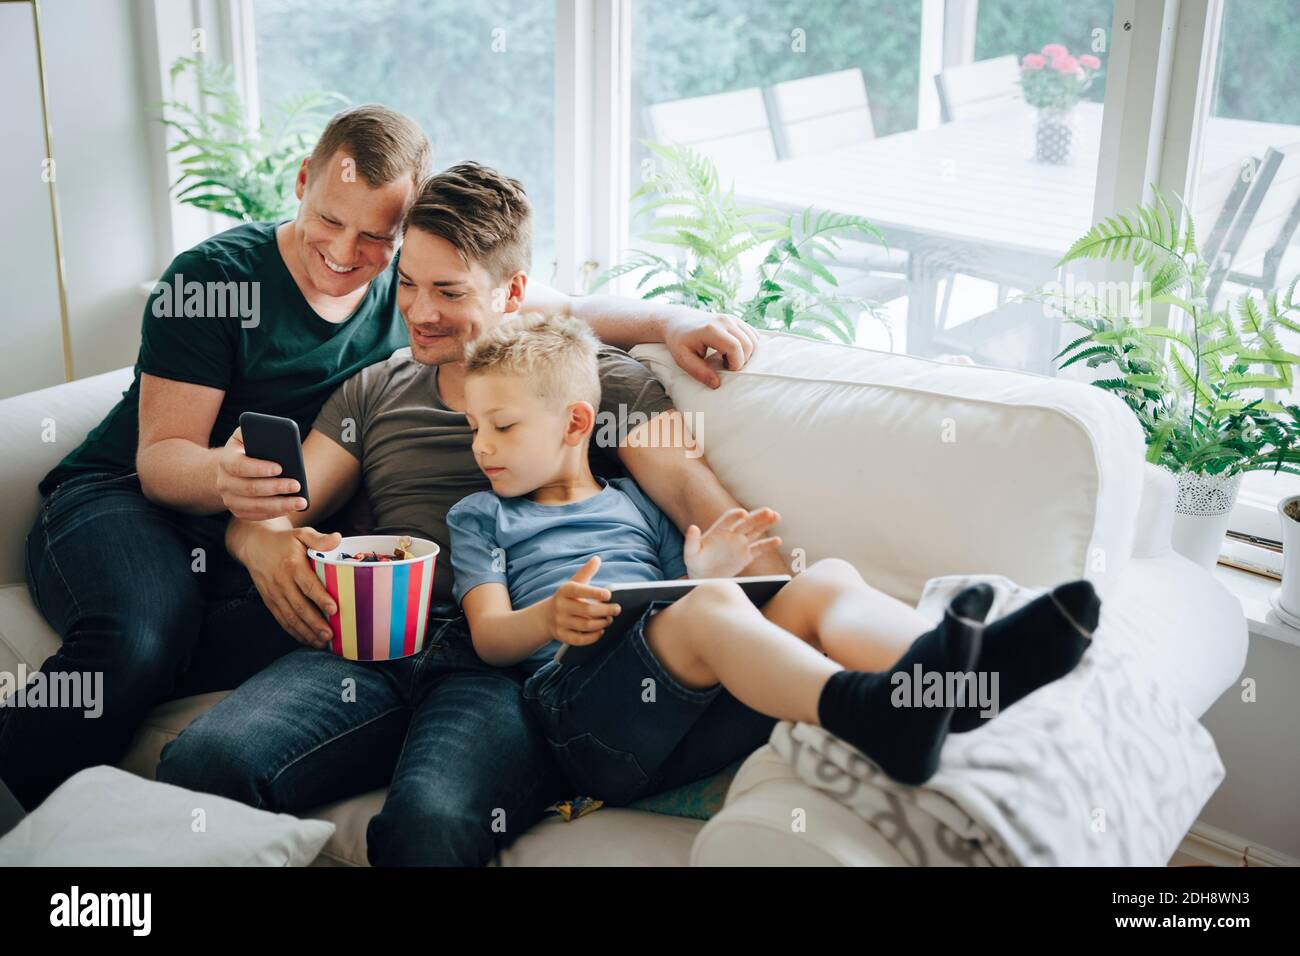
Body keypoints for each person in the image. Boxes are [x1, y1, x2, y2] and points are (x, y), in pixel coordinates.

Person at [2, 103, 760, 812]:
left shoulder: (402, 288)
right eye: (330, 220)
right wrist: (237, 502)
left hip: (259, 525)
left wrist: (668, 318)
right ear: (302, 182)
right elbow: (164, 460)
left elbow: (539, 305)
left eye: (376, 239)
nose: (343, 252)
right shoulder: (218, 280)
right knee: (143, 636)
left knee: (321, 618)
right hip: (128, 499)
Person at [154, 162, 780, 865]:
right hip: (374, 640)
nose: (419, 312)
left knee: (429, 825)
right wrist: (260, 543)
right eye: (409, 283)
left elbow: (709, 512)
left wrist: (795, 612)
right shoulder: (375, 390)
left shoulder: (592, 381)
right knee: (204, 764)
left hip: (507, 663)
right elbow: (273, 507)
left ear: (514, 293)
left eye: (449, 291)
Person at [446, 313, 1101, 800]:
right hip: (578, 720)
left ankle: (961, 683)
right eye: (474, 427)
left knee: (824, 580)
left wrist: (708, 575)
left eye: (501, 426)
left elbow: (680, 612)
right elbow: (490, 640)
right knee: (712, 609)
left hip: (685, 721)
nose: (482, 447)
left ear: (575, 424)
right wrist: (548, 619)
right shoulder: (483, 517)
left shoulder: (638, 505)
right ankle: (868, 711)